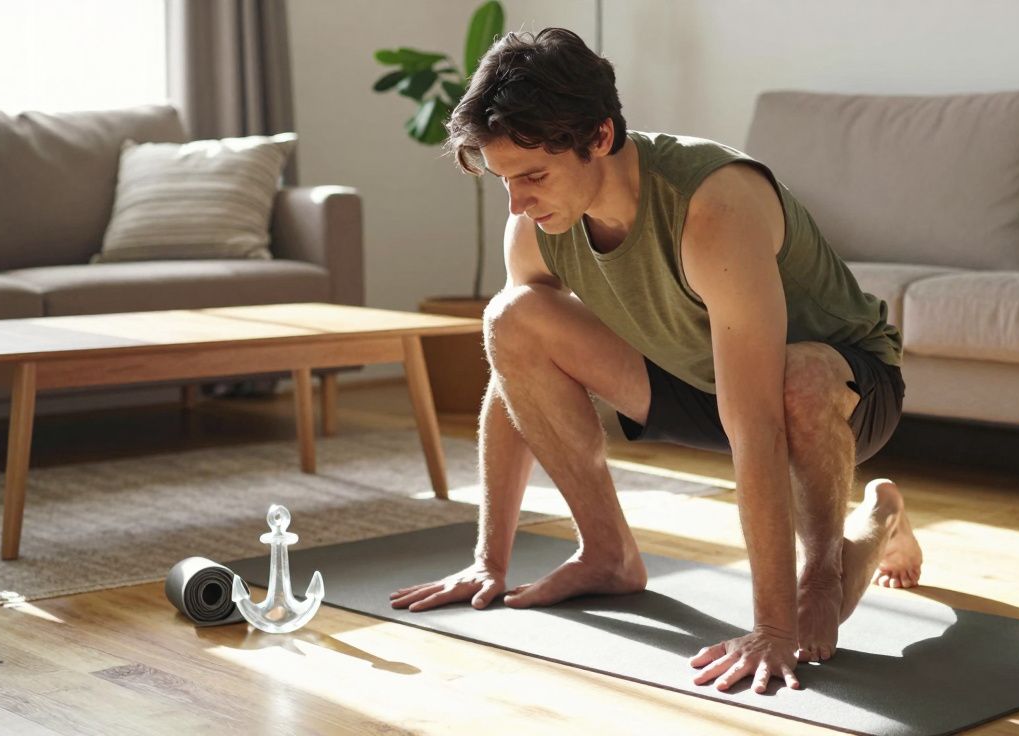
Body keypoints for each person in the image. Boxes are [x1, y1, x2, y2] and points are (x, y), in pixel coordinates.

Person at [389, 27, 923, 694]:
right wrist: (488, 560)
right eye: (504, 181)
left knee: (814, 620)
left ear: (601, 137)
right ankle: (607, 552)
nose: (518, 202)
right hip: (698, 382)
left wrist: (773, 628)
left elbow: (755, 421)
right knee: (512, 316)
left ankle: (864, 528)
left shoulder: (713, 204)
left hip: (843, 390)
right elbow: (513, 373)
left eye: (532, 176)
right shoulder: (536, 225)